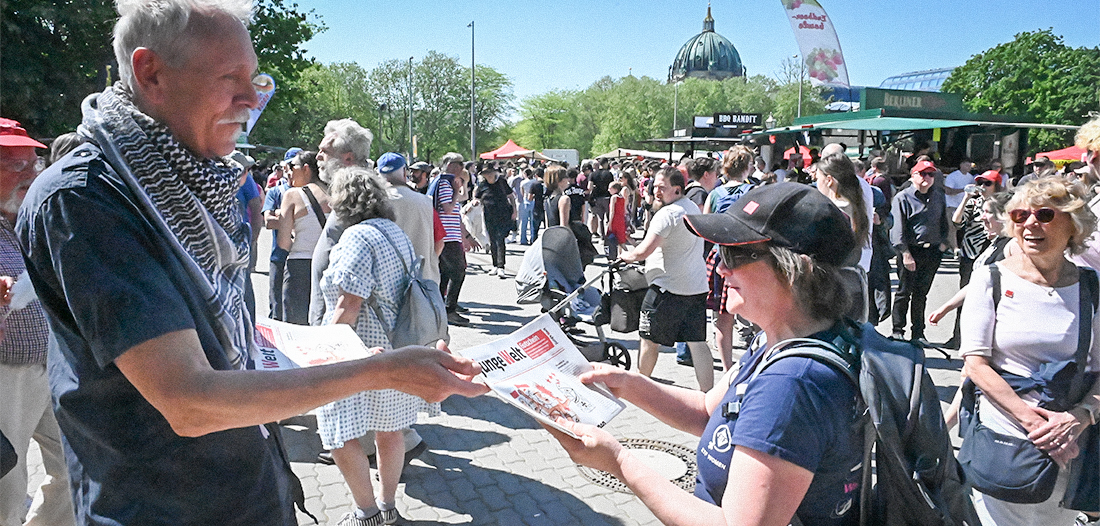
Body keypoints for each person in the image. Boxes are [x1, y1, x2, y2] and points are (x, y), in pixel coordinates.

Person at [15, 3, 487, 523]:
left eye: (254, 78)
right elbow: (189, 399)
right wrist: (376, 371)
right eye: (230, 79)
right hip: (164, 504)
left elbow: (222, 339)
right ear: (151, 73)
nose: (252, 99)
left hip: (252, 482)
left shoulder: (201, 180)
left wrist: (313, 352)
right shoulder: (87, 197)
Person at [544, 183, 863, 526]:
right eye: (718, 253)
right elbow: (709, 412)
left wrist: (619, 462)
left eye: (735, 255)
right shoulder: (785, 339)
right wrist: (625, 383)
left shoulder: (792, 385)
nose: (720, 268)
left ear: (794, 271)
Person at [959, 177, 1100, 525]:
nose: (1030, 224)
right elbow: (976, 365)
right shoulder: (990, 280)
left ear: (1074, 225)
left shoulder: (1090, 286)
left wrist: (1078, 418)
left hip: (1069, 445)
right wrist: (1034, 423)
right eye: (1021, 216)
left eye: (1045, 215)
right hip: (1006, 441)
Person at [318, 166, 441, 526]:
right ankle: (387, 508)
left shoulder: (356, 237)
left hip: (361, 352)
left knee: (336, 431)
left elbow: (348, 306)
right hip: (399, 347)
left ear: (343, 202)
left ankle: (366, 512)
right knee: (391, 431)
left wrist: (320, 352)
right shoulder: (394, 232)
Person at [0, 118, 75, 526]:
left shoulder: (33, 216)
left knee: (77, 468)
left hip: (52, 366)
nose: (33, 174)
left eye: (34, 164)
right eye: (17, 165)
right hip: (5, 377)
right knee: (7, 488)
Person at [619, 167, 712, 391]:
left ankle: (641, 386)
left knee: (649, 338)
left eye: (663, 187)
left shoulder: (667, 214)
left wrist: (624, 256)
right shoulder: (692, 208)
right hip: (696, 287)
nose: (656, 191)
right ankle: (707, 393)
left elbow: (643, 252)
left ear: (677, 189)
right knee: (697, 342)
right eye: (655, 186)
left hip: (667, 289)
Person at [890, 160, 949, 344]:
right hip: (910, 251)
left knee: (921, 294)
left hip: (932, 251)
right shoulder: (903, 197)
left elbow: (943, 221)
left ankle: (918, 333)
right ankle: (897, 330)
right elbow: (897, 229)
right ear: (913, 176)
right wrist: (905, 253)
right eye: (923, 174)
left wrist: (943, 244)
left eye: (931, 174)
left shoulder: (938, 195)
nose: (927, 178)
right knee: (904, 292)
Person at [277, 150, 328, 324]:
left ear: (306, 169)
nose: (289, 172)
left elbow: (283, 243)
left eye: (292, 166)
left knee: (296, 325)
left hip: (299, 267)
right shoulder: (336, 194)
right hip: (329, 267)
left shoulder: (292, 195)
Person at [430, 153, 474, 325]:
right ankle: (449, 309)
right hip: (447, 236)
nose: (462, 168)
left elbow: (458, 204)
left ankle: (442, 308)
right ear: (449, 165)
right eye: (458, 164)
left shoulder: (446, 183)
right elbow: (448, 209)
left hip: (449, 235)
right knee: (458, 271)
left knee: (446, 273)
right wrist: (456, 190)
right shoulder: (444, 183)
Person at [815, 154, 871, 271]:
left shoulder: (831, 211)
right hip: (851, 275)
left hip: (832, 279)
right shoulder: (855, 206)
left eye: (817, 179)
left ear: (829, 180)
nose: (816, 184)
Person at [263, 147, 301, 321]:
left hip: (303, 260)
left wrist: (283, 216)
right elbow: (268, 222)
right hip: (279, 257)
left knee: (298, 313)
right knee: (276, 310)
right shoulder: (275, 192)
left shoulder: (312, 194)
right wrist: (296, 220)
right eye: (290, 165)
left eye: (297, 165)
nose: (292, 170)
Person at [472, 163, 516, 278]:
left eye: (490, 173)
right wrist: (475, 202)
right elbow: (476, 196)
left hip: (503, 214)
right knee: (492, 239)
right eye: (486, 174)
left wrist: (514, 211)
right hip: (488, 215)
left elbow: (511, 196)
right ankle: (495, 265)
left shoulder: (502, 182)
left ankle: (501, 266)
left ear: (494, 173)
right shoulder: (483, 185)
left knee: (500, 239)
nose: (489, 176)